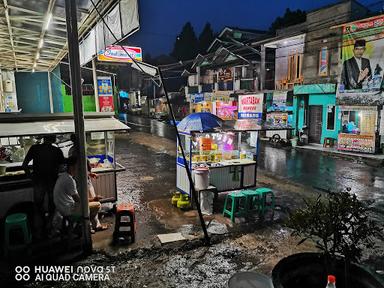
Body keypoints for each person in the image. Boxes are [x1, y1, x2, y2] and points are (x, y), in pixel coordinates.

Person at [22, 134, 64, 240]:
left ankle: (38, 233)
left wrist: (30, 176)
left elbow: (24, 165)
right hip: (52, 182)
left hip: (38, 181)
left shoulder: (35, 148)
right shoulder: (56, 151)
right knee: (52, 206)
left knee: (37, 207)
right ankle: (50, 229)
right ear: (53, 139)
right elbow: (63, 165)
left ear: (44, 139)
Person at [68, 134, 107, 232]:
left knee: (91, 203)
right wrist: (89, 170)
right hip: (81, 182)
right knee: (90, 203)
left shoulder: (73, 150)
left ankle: (93, 225)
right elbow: (83, 166)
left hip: (84, 180)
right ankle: (89, 226)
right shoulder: (76, 151)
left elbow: (84, 167)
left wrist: (90, 173)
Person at [51, 157, 81, 234]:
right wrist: (92, 199)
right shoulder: (70, 180)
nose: (79, 168)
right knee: (94, 207)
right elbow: (77, 200)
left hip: (60, 207)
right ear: (72, 167)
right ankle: (81, 230)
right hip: (67, 209)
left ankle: (76, 229)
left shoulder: (63, 176)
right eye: (78, 166)